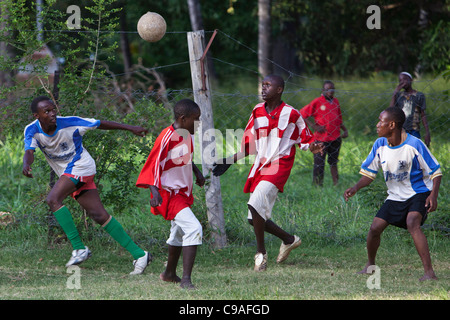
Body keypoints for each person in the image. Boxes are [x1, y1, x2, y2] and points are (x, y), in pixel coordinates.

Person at [23, 96, 152, 274]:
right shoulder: (31, 130)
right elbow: (29, 150)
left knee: (53, 199)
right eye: (47, 111)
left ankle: (78, 248)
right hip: (69, 173)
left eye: (53, 109)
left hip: (81, 166)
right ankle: (140, 254)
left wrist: (131, 128)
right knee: (99, 215)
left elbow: (100, 123)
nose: (53, 113)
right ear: (37, 115)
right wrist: (26, 164)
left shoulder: (70, 123)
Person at [213, 75, 323, 271]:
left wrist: (313, 146)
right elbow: (250, 143)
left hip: (280, 165)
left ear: (279, 89)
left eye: (267, 85)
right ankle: (289, 239)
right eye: (262, 85)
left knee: (255, 205)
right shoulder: (257, 111)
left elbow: (306, 139)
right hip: (260, 166)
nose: (263, 89)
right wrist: (229, 160)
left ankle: (261, 255)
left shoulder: (291, 114)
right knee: (253, 218)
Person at [344, 107, 442, 281]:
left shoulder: (414, 144)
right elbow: (369, 174)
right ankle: (370, 266)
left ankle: (429, 272)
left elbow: (436, 172)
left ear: (391, 125)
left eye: (380, 121)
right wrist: (356, 187)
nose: (377, 125)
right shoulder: (379, 144)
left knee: (412, 222)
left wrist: (432, 196)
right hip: (395, 196)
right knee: (375, 228)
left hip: (418, 193)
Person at [136, 99, 205, 289]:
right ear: (183, 119)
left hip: (181, 193)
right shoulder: (166, 136)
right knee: (194, 228)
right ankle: (186, 280)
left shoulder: (187, 134)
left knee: (178, 232)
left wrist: (197, 172)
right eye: (196, 119)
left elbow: (185, 158)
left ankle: (169, 273)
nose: (198, 123)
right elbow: (152, 164)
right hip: (168, 194)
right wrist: (154, 191)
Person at [300, 80, 348, 186]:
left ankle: (336, 184)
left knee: (333, 162)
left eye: (332, 89)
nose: (330, 91)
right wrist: (314, 126)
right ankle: (317, 185)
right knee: (319, 163)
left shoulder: (335, 101)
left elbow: (339, 118)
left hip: (335, 137)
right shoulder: (317, 102)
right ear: (323, 90)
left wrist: (345, 130)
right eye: (327, 89)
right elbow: (302, 114)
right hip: (321, 138)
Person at [389, 71, 430, 147]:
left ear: (410, 80)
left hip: (414, 129)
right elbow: (391, 110)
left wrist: (427, 132)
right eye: (400, 81)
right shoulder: (399, 96)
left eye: (404, 79)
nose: (402, 82)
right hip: (401, 129)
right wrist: (395, 93)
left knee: (414, 149)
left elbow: (423, 114)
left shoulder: (419, 95)